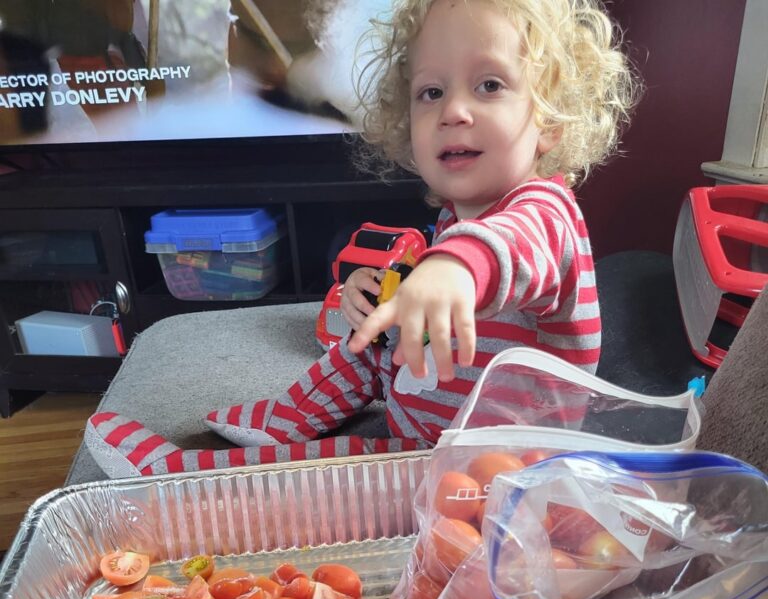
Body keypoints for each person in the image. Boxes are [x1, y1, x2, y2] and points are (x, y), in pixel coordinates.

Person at [86, 0, 639, 478]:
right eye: (430, 92)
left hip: (484, 468)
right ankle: (286, 418)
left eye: (490, 85)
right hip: (431, 416)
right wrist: (384, 302)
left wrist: (454, 270)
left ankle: (181, 474)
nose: (454, 111)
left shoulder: (546, 211)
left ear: (551, 121)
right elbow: (438, 294)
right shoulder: (453, 221)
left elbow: (508, 248)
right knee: (367, 346)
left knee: (330, 471)